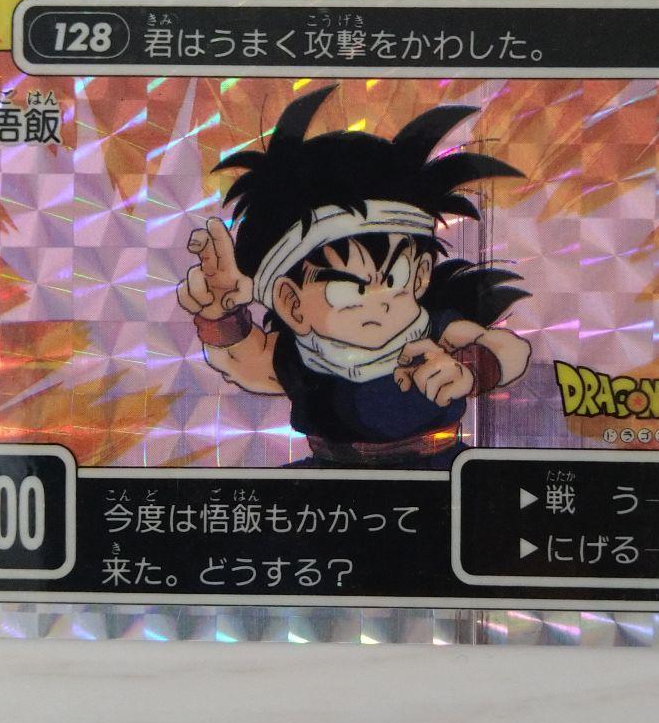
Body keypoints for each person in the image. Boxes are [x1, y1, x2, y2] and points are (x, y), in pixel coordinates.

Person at [176, 85, 531, 469]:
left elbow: (508, 349)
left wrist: (472, 368)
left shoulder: (431, 332)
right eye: (348, 290)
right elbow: (248, 361)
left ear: (420, 276)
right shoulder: (303, 353)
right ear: (291, 303)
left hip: (434, 469)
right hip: (329, 477)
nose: (378, 300)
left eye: (394, 279)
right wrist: (221, 316)